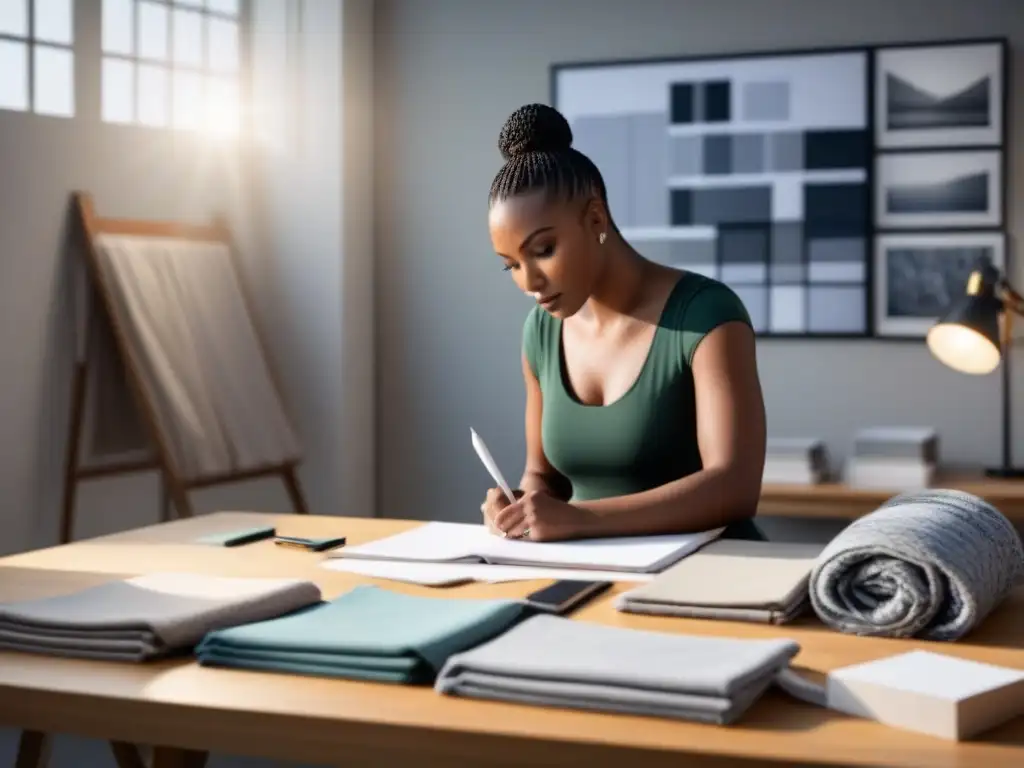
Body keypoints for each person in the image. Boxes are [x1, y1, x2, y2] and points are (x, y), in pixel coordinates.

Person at [479, 103, 768, 543]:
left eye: (542, 251)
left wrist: (582, 520)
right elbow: (543, 475)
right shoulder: (539, 332)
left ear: (595, 219)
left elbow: (735, 487)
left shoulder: (706, 314)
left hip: (709, 573)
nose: (529, 282)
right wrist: (521, 506)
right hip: (592, 571)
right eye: (511, 265)